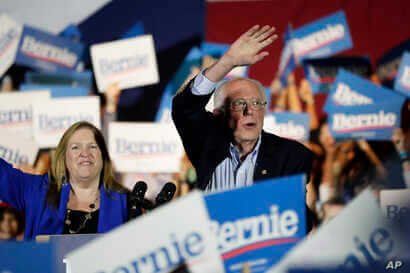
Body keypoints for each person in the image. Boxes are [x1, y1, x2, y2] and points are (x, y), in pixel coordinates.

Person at [172, 25, 313, 192]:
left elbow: (295, 213)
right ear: (218, 114)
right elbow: (185, 108)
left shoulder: (291, 156)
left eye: (256, 103)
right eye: (239, 103)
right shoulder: (207, 143)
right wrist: (227, 62)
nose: (250, 111)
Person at [0, 121, 132, 240]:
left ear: (103, 156)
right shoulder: (38, 191)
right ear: (63, 157)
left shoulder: (126, 202)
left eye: (92, 146)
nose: (84, 153)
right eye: (76, 147)